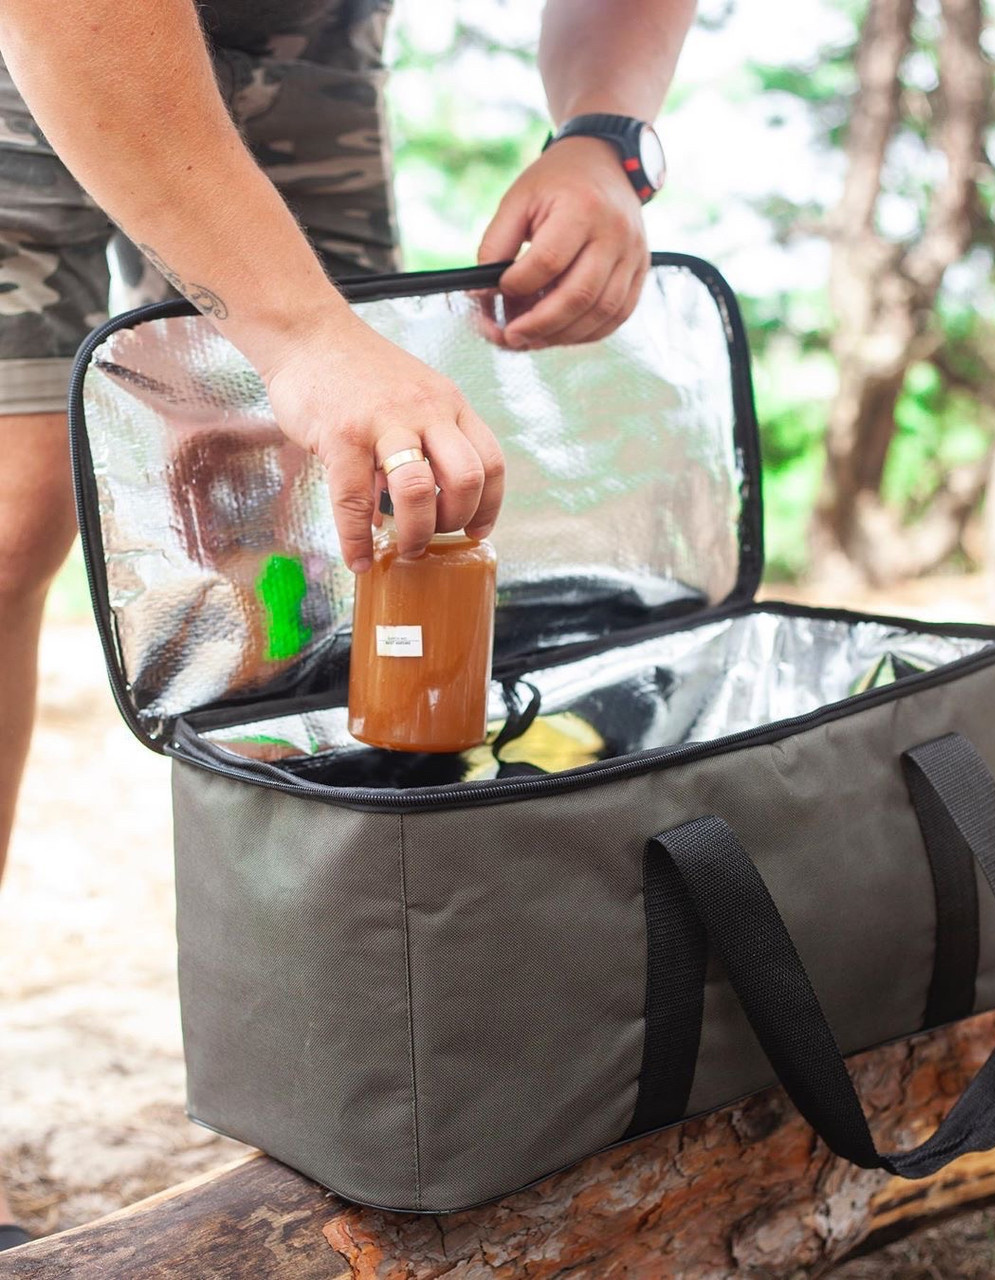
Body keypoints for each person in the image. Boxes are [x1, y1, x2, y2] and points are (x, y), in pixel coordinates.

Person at [0, 0, 693, 1246]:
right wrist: (307, 333)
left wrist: (604, 135)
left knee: (297, 525)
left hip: (302, 36)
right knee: (10, 510)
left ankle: (329, 1076)